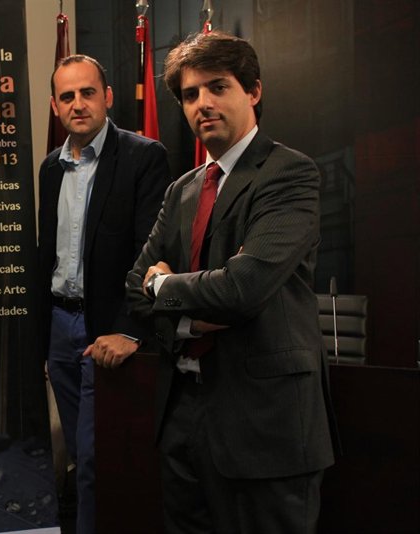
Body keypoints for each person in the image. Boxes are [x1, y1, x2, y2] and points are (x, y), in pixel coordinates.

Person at [126, 32, 337, 532]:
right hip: (183, 415)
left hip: (264, 423)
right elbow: (135, 286)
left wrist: (165, 287)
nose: (203, 103)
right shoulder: (182, 189)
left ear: (253, 91)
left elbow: (243, 288)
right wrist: (188, 323)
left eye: (217, 87)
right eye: (190, 94)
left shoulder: (289, 174)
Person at [38, 54, 171, 533]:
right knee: (79, 457)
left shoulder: (143, 156)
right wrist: (41, 340)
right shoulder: (50, 168)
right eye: (67, 96)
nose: (78, 104)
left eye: (87, 92)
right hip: (59, 327)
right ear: (55, 106)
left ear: (108, 96)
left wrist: (130, 331)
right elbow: (47, 255)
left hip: (108, 329)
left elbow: (151, 252)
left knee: (99, 459)